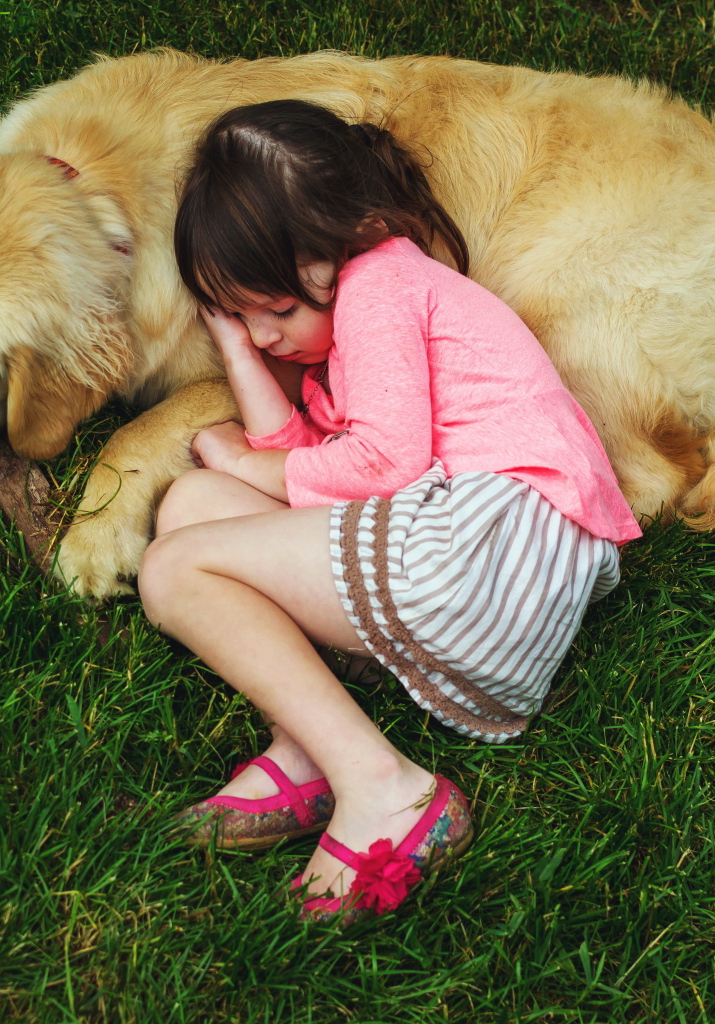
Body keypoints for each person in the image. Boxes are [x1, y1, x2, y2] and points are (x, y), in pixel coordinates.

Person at [138, 99, 642, 922]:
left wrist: (242, 458)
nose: (268, 336)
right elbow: (310, 452)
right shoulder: (357, 310)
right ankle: (308, 745)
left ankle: (387, 787)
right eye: (244, 315)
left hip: (488, 546)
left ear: (350, 238)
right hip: (499, 567)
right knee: (194, 507)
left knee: (172, 570)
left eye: (279, 311)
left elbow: (378, 465)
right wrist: (237, 350)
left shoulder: (380, 288)